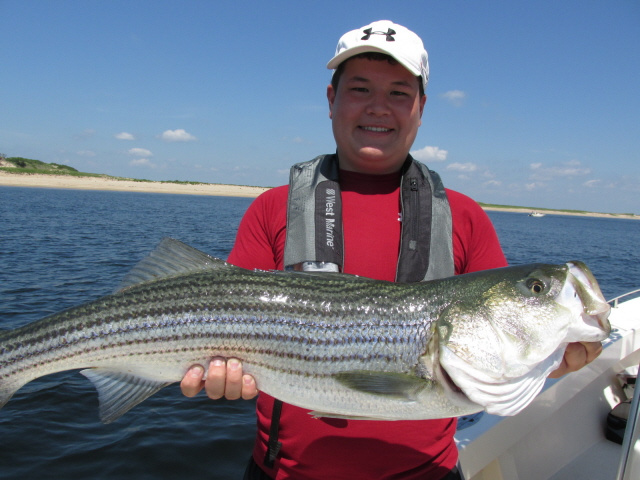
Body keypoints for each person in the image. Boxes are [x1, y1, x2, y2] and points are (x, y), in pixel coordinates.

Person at [180, 20, 603, 479]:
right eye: (360, 89)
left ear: (421, 108)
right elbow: (223, 317)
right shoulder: (272, 208)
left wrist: (547, 363)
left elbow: (492, 352)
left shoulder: (465, 217)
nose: (378, 107)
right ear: (330, 100)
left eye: (400, 93)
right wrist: (218, 372)